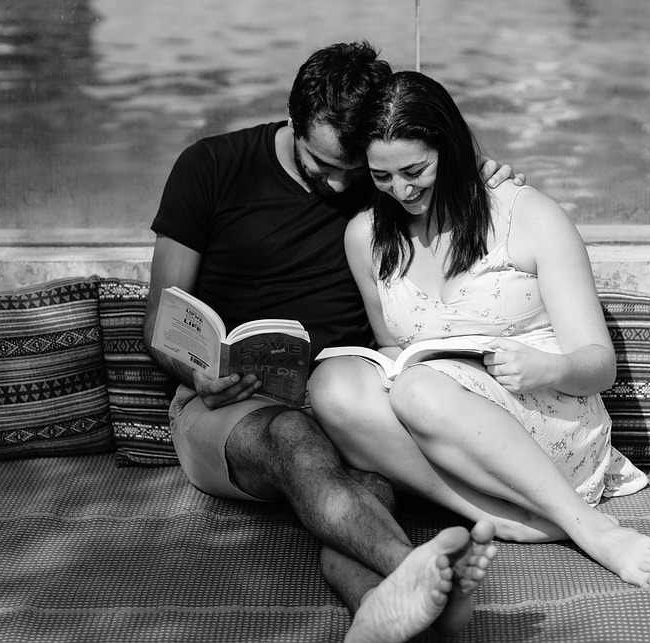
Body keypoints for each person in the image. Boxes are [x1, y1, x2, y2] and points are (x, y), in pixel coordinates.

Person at [142, 43, 521, 642]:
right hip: (224, 410)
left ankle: (376, 612)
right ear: (293, 123)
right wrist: (198, 373)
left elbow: (441, 165)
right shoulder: (211, 165)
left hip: (346, 407)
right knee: (293, 436)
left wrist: (486, 178)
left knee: (366, 492)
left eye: (356, 168)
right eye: (323, 164)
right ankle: (416, 572)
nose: (343, 183)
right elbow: (160, 321)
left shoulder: (385, 180)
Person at [309, 71, 650, 589]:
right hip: (446, 430)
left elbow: (600, 366)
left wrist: (550, 368)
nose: (402, 190)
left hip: (547, 416)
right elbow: (392, 345)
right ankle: (498, 516)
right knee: (332, 386)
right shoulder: (366, 235)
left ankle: (587, 526)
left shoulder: (528, 215)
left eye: (415, 170)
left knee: (417, 390)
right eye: (381, 176)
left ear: (451, 148)